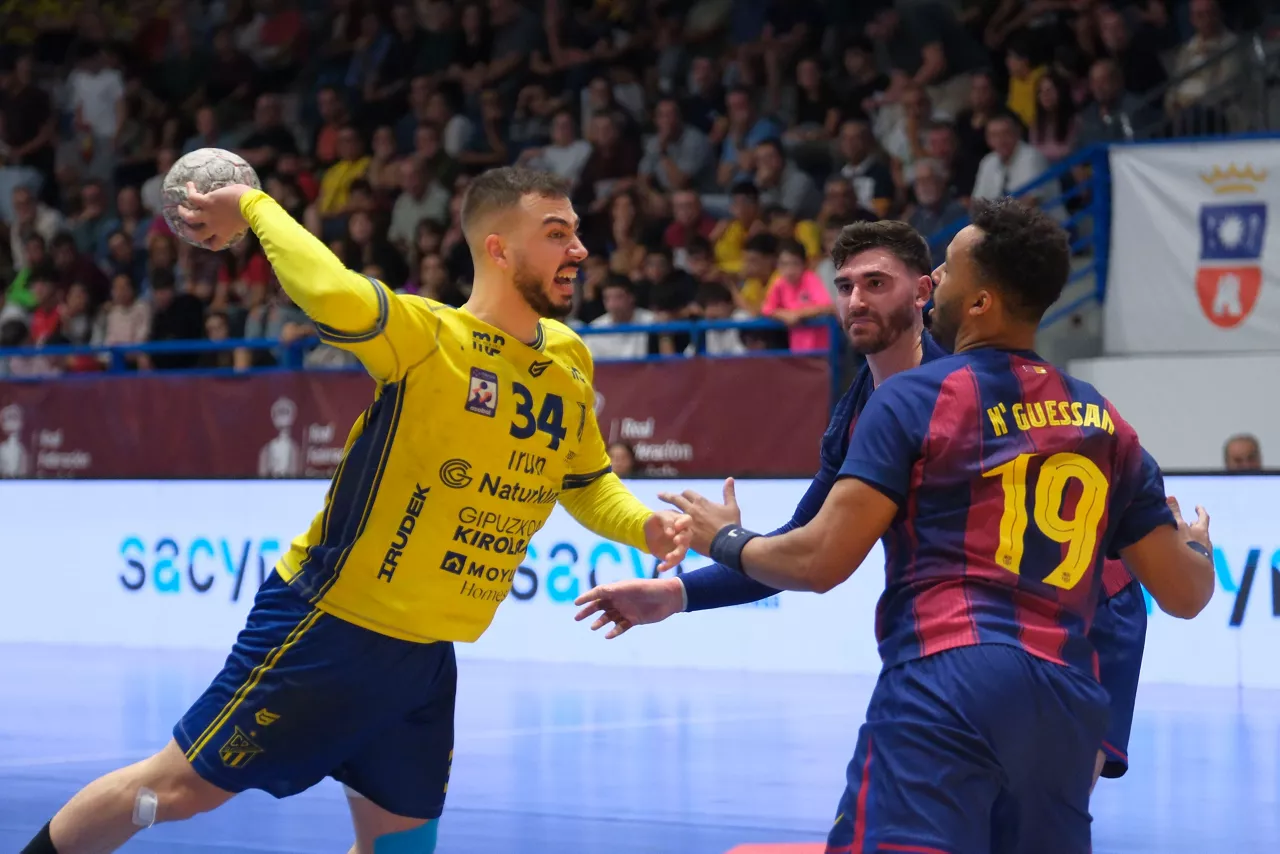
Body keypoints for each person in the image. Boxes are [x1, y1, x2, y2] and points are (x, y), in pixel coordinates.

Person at [20, 167, 692, 854]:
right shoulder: (429, 336)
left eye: (576, 233)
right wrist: (252, 206)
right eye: (557, 235)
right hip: (329, 627)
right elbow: (333, 292)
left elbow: (586, 482)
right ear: (498, 248)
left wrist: (647, 524)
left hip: (427, 656)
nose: (579, 250)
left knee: (402, 846)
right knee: (172, 791)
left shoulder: (570, 359)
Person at [584, 199, 1216, 852]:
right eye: (846, 286)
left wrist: (723, 537)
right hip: (1056, 671)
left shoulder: (925, 395)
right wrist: (681, 592)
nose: (856, 299)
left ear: (928, 295)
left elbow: (816, 559)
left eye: (877, 283)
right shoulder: (1083, 411)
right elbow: (802, 541)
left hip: (1074, 625)